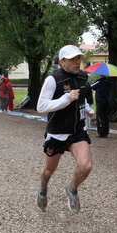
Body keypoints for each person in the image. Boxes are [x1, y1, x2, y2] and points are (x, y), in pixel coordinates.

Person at [36, 45, 95, 214]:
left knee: (86, 166)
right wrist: (66, 99)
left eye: (79, 58)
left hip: (77, 131)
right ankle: (42, 190)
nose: (78, 62)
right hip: (57, 132)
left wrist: (88, 109)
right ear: (62, 62)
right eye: (73, 59)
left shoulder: (83, 77)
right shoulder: (53, 79)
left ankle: (71, 188)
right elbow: (41, 106)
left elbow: (83, 100)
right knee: (49, 170)